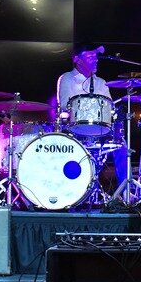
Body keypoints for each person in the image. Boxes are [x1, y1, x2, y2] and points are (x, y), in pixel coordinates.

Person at [57, 43, 128, 189]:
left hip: (100, 130)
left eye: (96, 57)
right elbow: (64, 105)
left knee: (122, 147)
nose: (95, 59)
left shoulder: (101, 82)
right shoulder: (66, 78)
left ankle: (124, 191)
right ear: (76, 59)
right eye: (90, 56)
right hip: (74, 130)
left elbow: (109, 108)